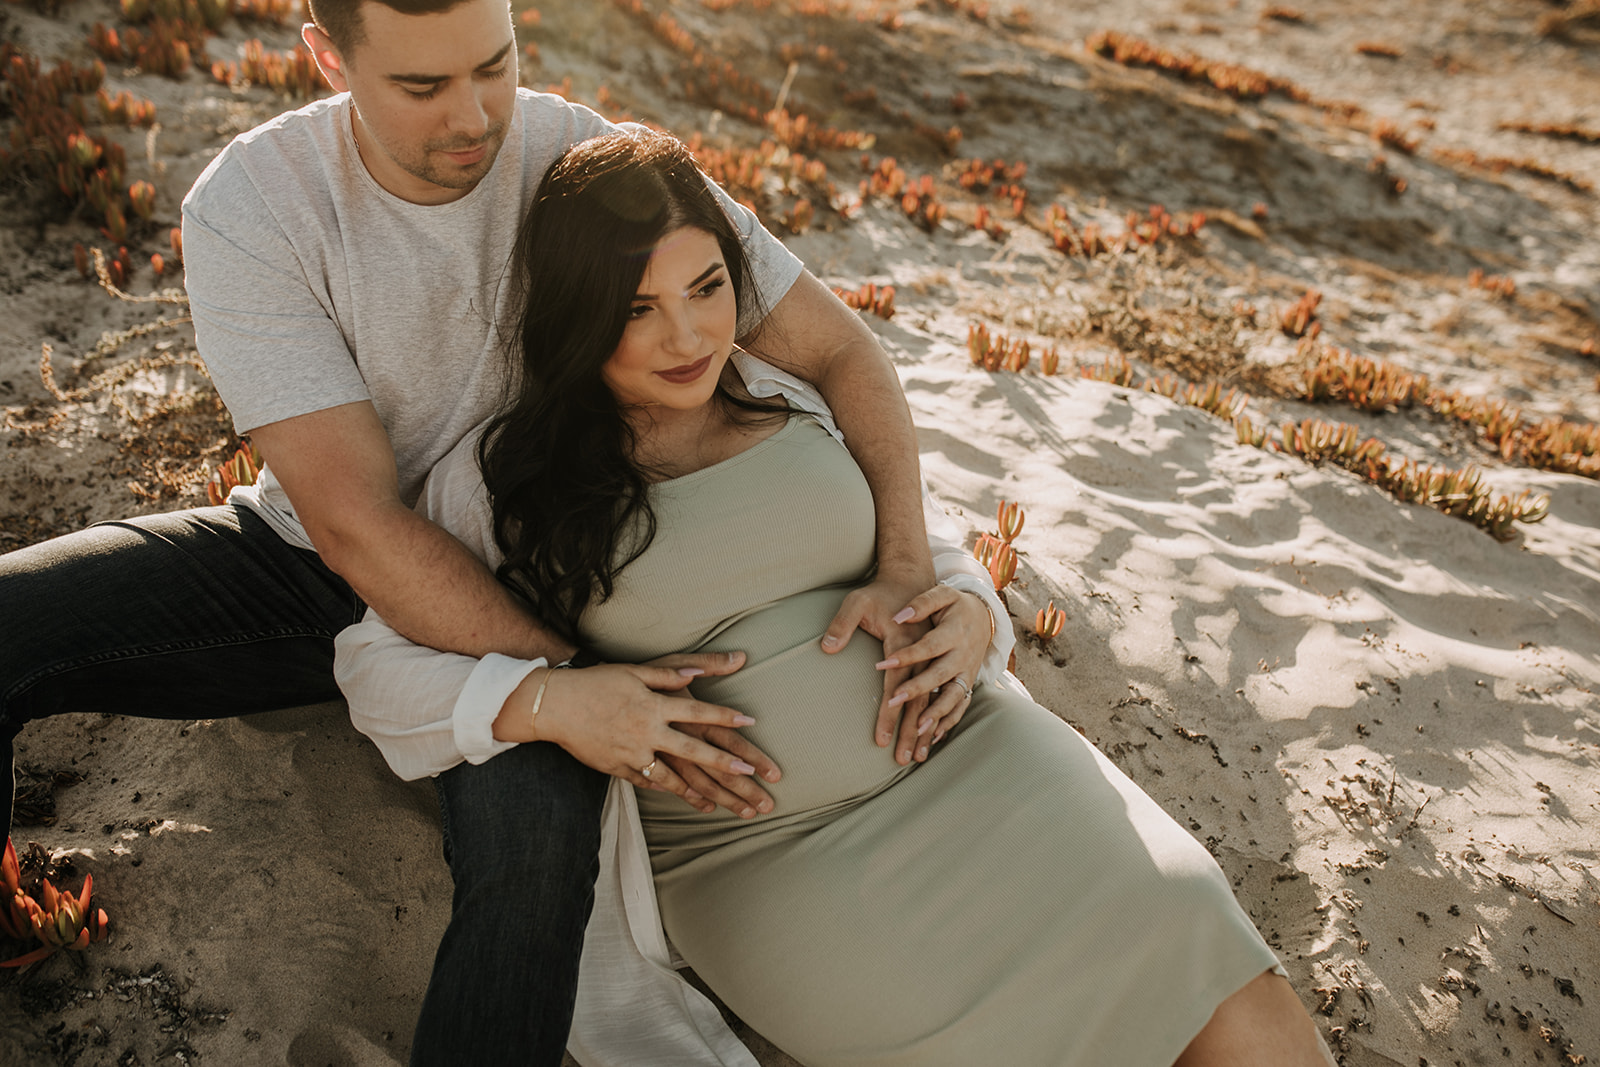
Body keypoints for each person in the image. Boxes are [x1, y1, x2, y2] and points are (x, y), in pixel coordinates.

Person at [0, 0, 968, 1060]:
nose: (474, 117)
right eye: (422, 88)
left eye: (494, 66)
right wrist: (556, 686)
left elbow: (841, 352)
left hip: (558, 567)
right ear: (328, 58)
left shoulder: (587, 160)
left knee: (535, 852)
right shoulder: (253, 205)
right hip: (321, 566)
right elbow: (354, 520)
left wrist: (913, 564)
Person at [339, 128, 1335, 1066]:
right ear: (573, 312)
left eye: (708, 286)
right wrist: (560, 704)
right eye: (635, 309)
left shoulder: (790, 391)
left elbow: (929, 546)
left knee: (1196, 938)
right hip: (770, 858)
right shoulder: (506, 483)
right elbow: (376, 660)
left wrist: (967, 607)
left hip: (986, 764)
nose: (686, 334)